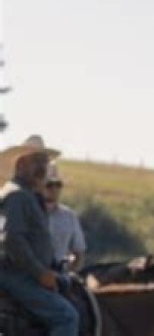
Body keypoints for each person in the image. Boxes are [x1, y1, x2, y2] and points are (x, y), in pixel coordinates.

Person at [0, 135, 79, 336]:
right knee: (66, 316)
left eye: (44, 161)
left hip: (21, 272)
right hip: (14, 274)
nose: (42, 167)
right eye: (36, 161)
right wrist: (40, 273)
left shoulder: (28, 195)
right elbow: (12, 240)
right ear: (20, 164)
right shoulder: (18, 195)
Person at [43, 162, 86, 272]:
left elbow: (78, 252)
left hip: (59, 274)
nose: (54, 189)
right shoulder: (27, 213)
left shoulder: (69, 216)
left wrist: (69, 273)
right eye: (49, 185)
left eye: (58, 185)